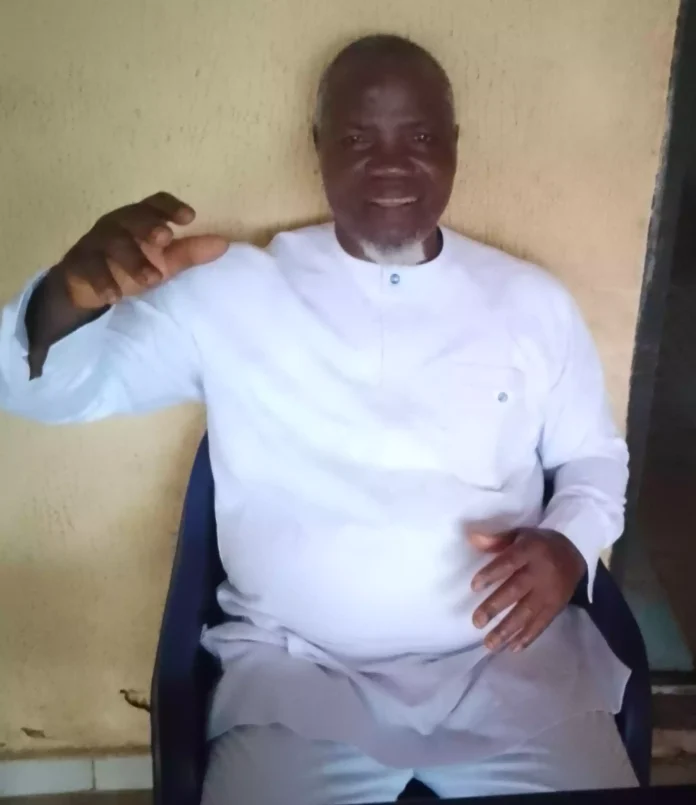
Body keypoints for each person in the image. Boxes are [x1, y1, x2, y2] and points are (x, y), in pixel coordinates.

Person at [0, 34, 636, 804]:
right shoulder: (232, 290)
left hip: (508, 667)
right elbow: (43, 391)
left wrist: (568, 543)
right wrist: (66, 298)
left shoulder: (531, 302)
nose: (392, 164)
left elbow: (593, 458)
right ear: (318, 145)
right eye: (359, 138)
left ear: (454, 146)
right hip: (297, 679)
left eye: (420, 137)